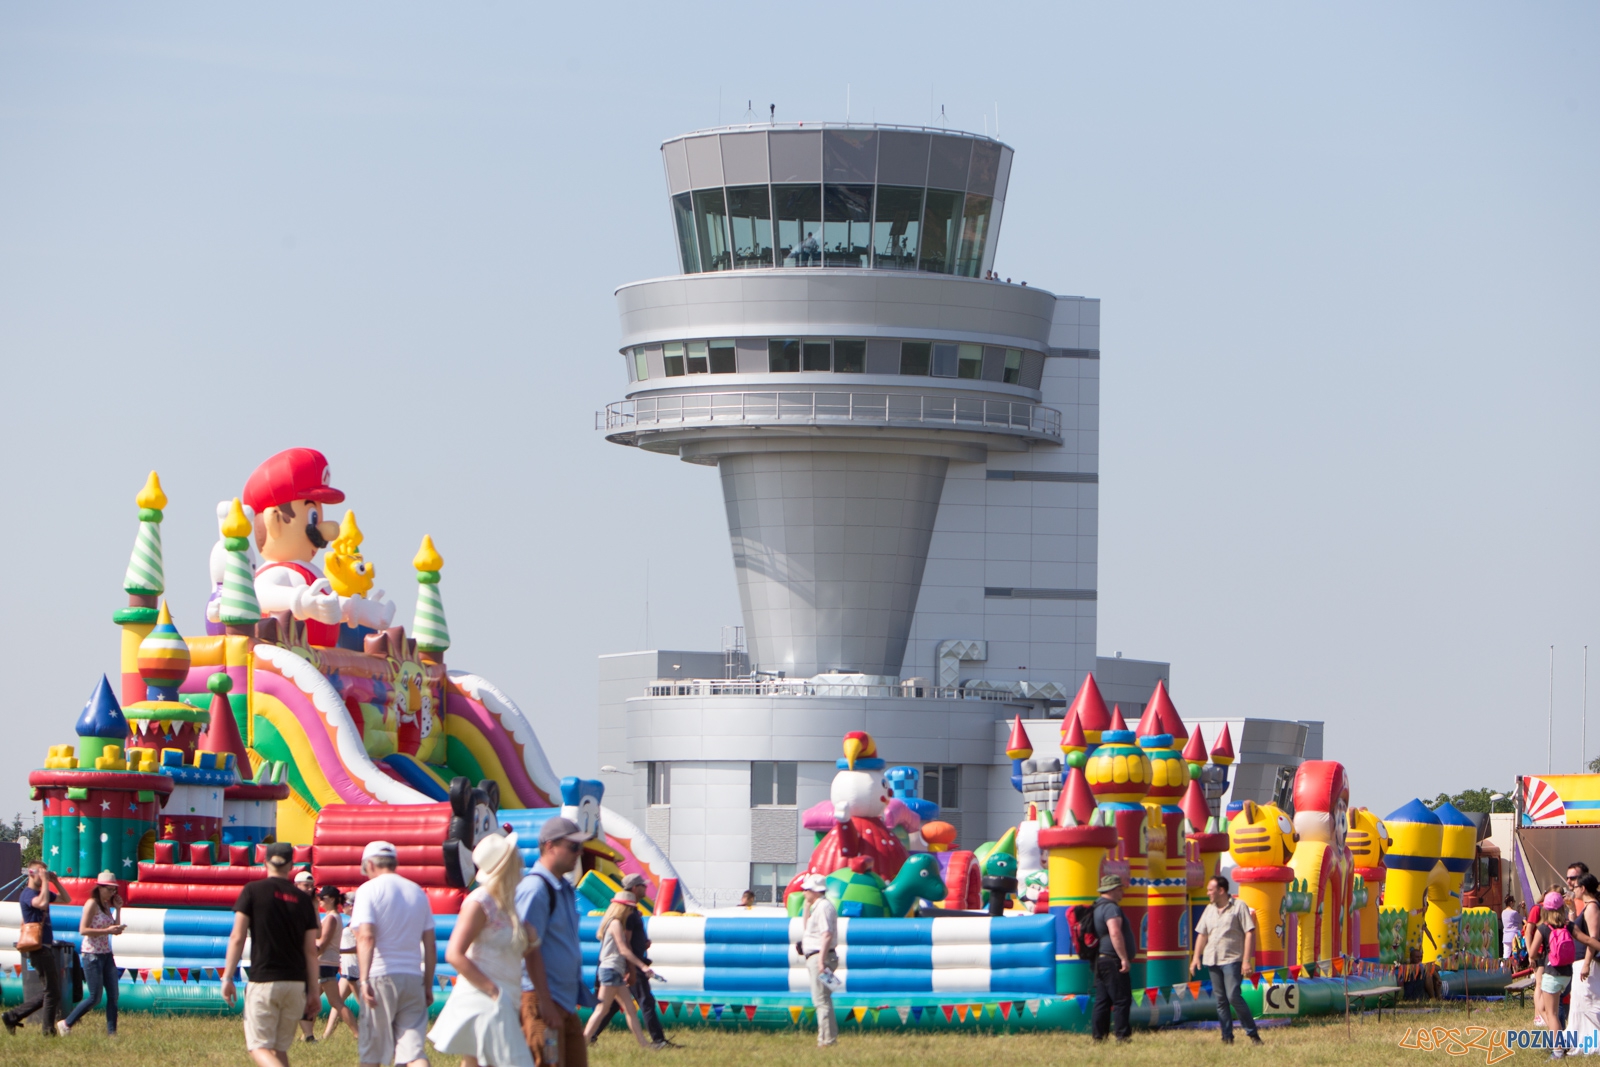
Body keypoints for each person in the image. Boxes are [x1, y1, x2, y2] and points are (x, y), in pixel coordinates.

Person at [428, 833, 536, 1067]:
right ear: (507, 864)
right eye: (515, 856)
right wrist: (493, 991)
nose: (521, 861)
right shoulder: (480, 901)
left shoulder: (512, 902)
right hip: (485, 997)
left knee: (477, 1062)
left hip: (507, 996)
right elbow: (454, 953)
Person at [221, 842, 321, 1067]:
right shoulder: (304, 900)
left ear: (265, 862)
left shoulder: (253, 891)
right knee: (279, 1049)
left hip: (264, 979)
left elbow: (237, 937)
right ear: (291, 865)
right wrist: (313, 991)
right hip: (296, 983)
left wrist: (228, 977)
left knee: (259, 1047)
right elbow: (310, 951)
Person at [516, 816, 597, 1067]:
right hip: (542, 1003)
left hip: (563, 1003)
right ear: (550, 846)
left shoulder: (564, 888)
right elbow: (528, 949)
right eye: (573, 847)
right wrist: (545, 1003)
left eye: (580, 847)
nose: (579, 853)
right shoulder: (535, 889)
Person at [352, 840, 437, 1067]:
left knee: (373, 1055)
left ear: (369, 864)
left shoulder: (368, 890)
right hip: (412, 977)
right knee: (413, 1053)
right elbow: (430, 945)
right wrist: (427, 985)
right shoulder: (417, 891)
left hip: (381, 975)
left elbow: (366, 936)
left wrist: (363, 979)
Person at [593, 873, 669, 1048]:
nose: (646, 888)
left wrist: (642, 943)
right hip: (627, 965)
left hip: (624, 965)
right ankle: (658, 1040)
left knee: (612, 1006)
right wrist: (635, 968)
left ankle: (591, 1036)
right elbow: (624, 944)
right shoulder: (627, 914)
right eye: (643, 885)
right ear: (635, 888)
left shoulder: (630, 912)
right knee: (645, 1001)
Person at [1190, 874, 1263, 1045]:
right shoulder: (1209, 909)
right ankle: (1227, 1037)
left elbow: (1249, 932)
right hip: (1212, 960)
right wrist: (1195, 958)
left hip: (1232, 959)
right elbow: (1202, 934)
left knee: (1233, 996)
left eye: (1210, 890)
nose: (1208, 893)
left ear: (1221, 891)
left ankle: (1253, 1034)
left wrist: (1246, 960)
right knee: (1220, 999)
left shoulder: (1239, 907)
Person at [581, 891, 656, 1050]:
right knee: (602, 1010)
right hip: (611, 970)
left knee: (629, 1009)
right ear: (621, 908)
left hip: (614, 970)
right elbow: (623, 949)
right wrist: (642, 966)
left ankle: (644, 1044)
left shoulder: (613, 923)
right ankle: (582, 1042)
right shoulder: (615, 924)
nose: (631, 912)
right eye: (629, 909)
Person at [3, 861, 69, 1037]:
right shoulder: (27, 893)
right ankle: (47, 1031)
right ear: (32, 874)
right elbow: (40, 904)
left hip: (45, 946)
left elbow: (66, 899)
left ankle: (13, 1015)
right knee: (52, 992)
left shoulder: (43, 892)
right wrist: (46, 882)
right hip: (37, 947)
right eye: (41, 873)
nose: (43, 876)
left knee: (50, 991)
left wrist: (55, 881)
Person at [60, 871, 127, 1037]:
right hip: (92, 955)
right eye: (110, 890)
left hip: (106, 954)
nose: (113, 893)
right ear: (100, 888)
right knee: (94, 997)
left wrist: (118, 910)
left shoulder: (105, 905)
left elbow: (114, 929)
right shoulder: (91, 904)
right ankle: (66, 1023)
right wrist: (107, 930)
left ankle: (112, 1033)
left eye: (114, 890)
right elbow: (83, 930)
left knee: (113, 995)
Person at [1089, 874, 1132, 1043]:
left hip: (1101, 959)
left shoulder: (1097, 907)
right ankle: (1122, 1036)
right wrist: (1123, 958)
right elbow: (1115, 932)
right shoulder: (1111, 908)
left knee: (1102, 1000)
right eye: (1120, 889)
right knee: (1121, 999)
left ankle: (1099, 1037)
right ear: (1113, 890)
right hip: (1113, 959)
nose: (1122, 893)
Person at [798, 873, 838, 1048]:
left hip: (819, 957)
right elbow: (808, 930)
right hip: (817, 956)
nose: (803, 893)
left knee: (821, 1000)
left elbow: (826, 934)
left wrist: (821, 961)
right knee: (823, 999)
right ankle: (826, 1038)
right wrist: (806, 907)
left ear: (815, 890)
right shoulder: (818, 907)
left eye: (806, 890)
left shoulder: (823, 908)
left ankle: (827, 1040)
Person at [315, 887, 358, 1040]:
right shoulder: (332, 917)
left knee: (336, 1002)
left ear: (331, 899)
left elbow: (323, 943)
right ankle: (311, 1034)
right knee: (315, 1000)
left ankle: (359, 1033)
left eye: (322, 897)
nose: (320, 900)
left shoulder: (333, 918)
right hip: (332, 964)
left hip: (328, 964)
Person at [1531, 891, 1572, 1046]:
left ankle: (1559, 1047)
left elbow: (1533, 952)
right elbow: (1585, 939)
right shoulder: (1568, 926)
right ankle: (1560, 1037)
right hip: (1568, 974)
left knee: (1551, 1013)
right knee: (1545, 1007)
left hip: (1552, 973)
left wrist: (1539, 956)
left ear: (1545, 909)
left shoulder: (1544, 928)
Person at [1571, 875, 1600, 1049]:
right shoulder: (1587, 907)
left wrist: (1587, 963)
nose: (1573, 889)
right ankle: (1583, 1041)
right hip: (1580, 959)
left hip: (1586, 961)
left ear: (1583, 889)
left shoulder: (1592, 908)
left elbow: (1593, 938)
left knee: (1589, 1002)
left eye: (1575, 886)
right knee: (1580, 1002)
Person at [294, 871, 321, 1044]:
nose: (310, 889)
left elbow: (318, 932)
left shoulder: (309, 905)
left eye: (312, 886)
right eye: (306, 885)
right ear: (297, 884)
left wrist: (315, 909)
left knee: (304, 994)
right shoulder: (290, 902)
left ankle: (309, 1035)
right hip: (291, 954)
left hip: (303, 955)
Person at [1503, 896, 1524, 965]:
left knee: (1506, 955)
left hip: (1506, 936)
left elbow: (1512, 918)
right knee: (1515, 955)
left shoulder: (1503, 912)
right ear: (1511, 902)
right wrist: (1523, 909)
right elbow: (1522, 920)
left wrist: (1517, 910)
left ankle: (1502, 969)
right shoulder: (1514, 913)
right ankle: (1515, 971)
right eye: (1514, 902)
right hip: (1514, 936)